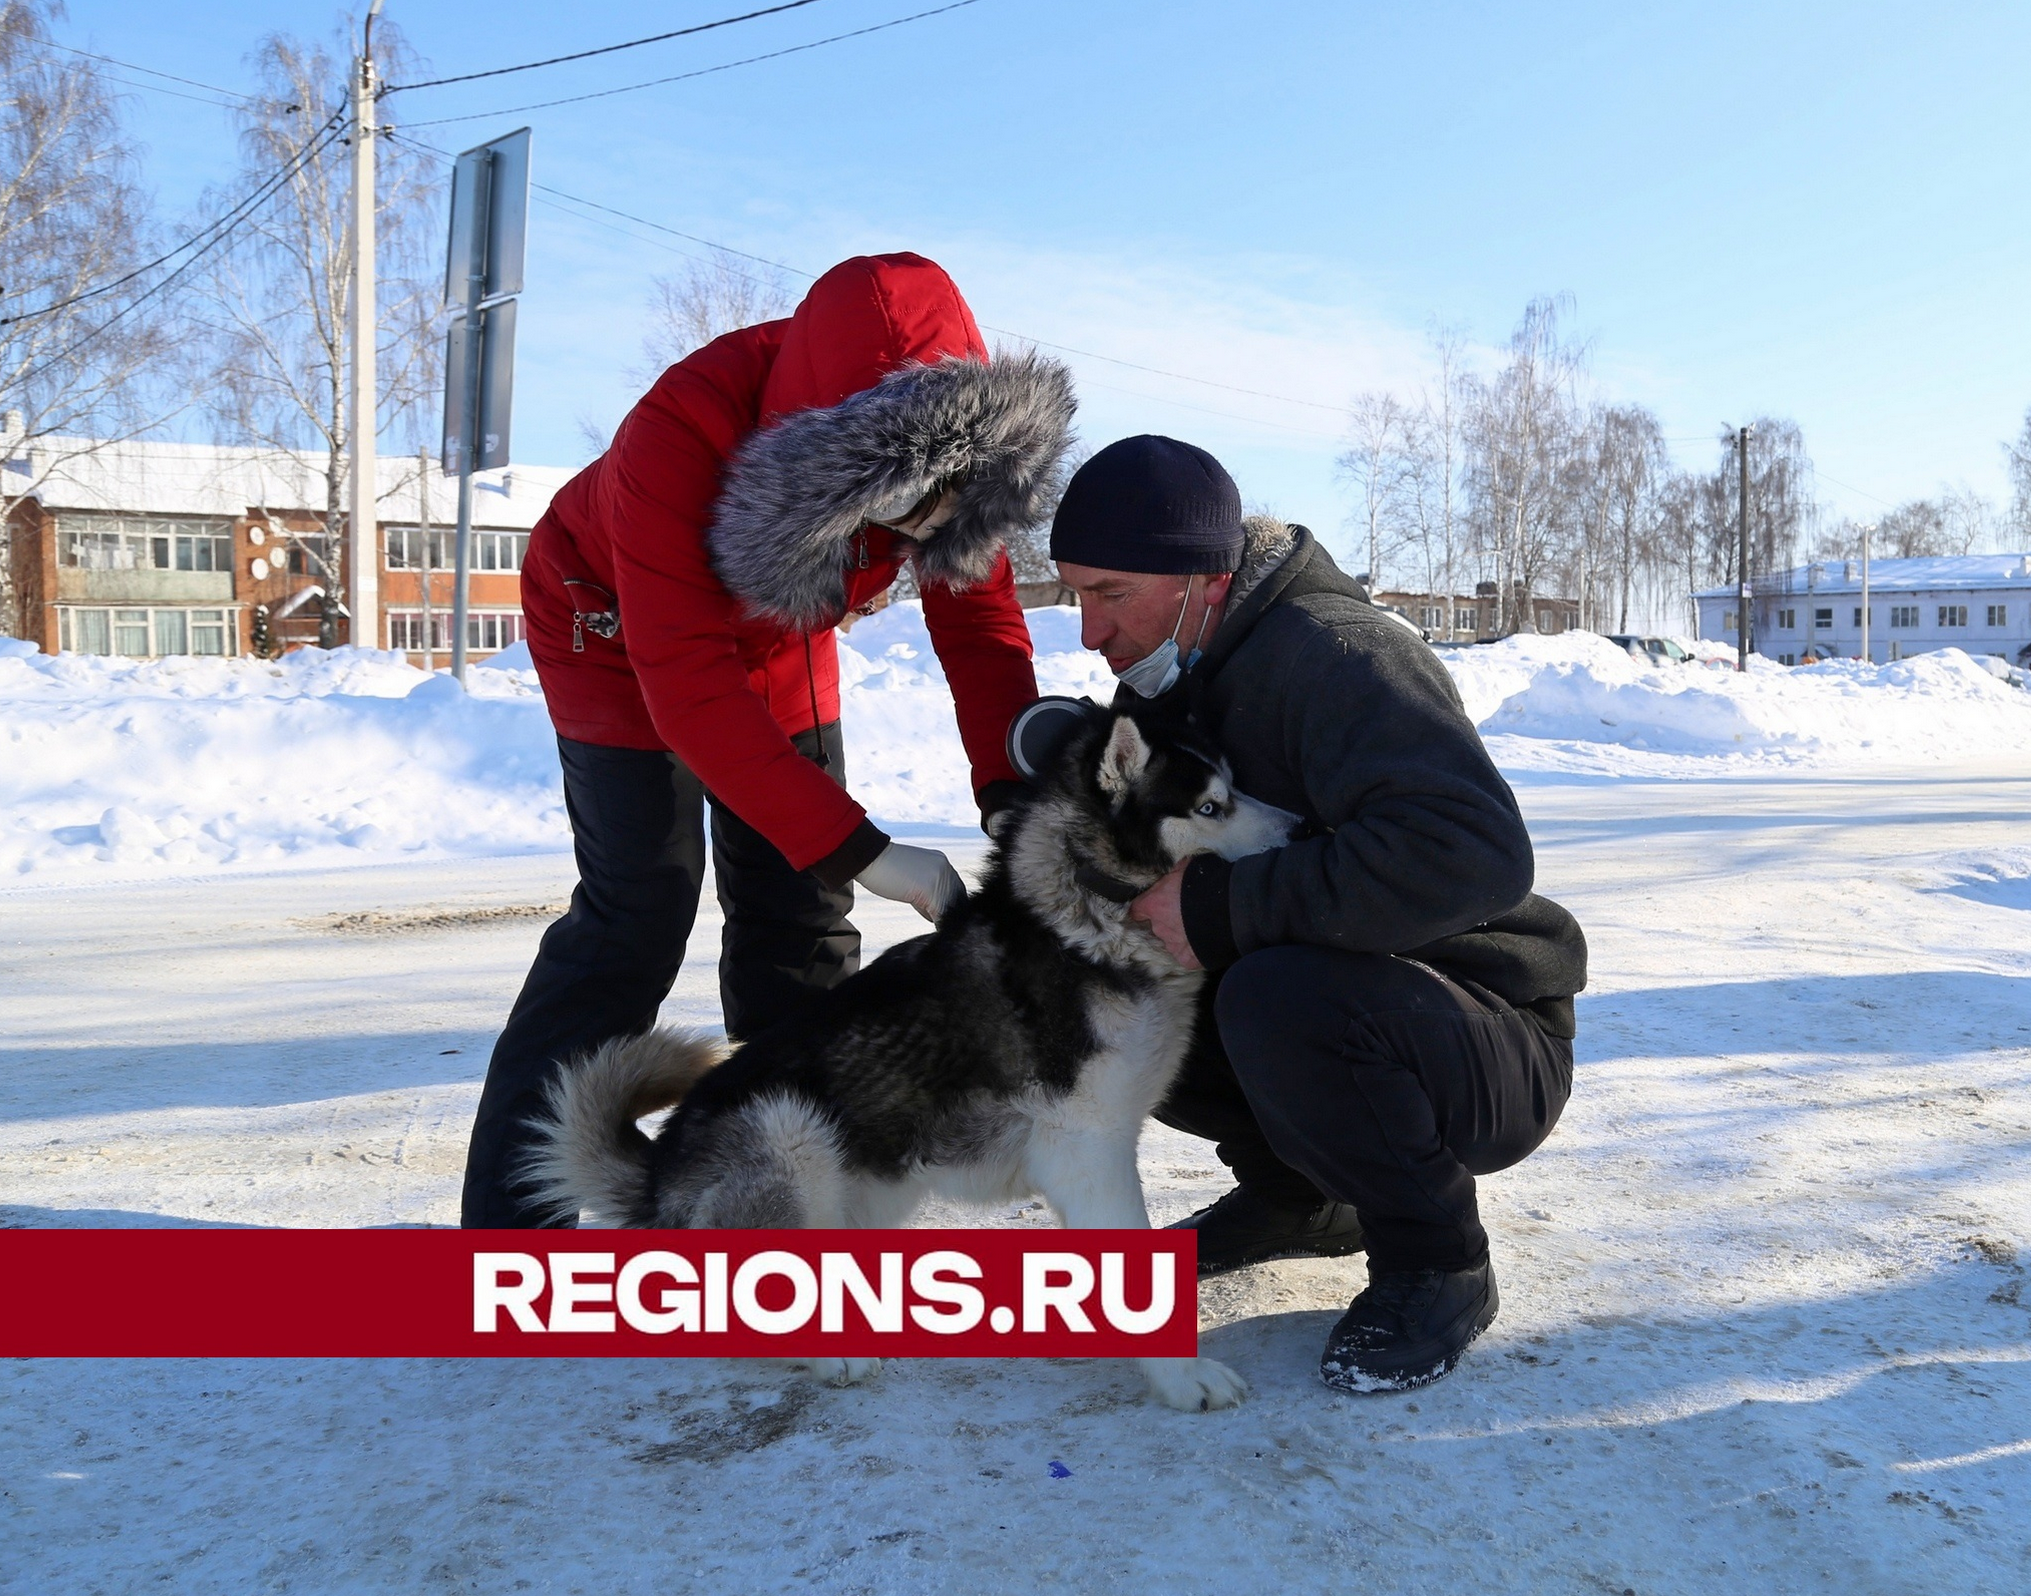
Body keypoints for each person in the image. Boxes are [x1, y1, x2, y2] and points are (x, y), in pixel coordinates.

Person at [461, 253, 1074, 1229]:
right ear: (826, 460)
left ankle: (796, 1188)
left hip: (780, 637)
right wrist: (867, 849)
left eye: (952, 487)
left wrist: (1010, 796)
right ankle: (504, 1234)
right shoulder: (677, 434)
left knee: (801, 913)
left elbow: (982, 629)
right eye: (907, 493)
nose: (935, 517)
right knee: (634, 914)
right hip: (615, 629)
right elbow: (690, 688)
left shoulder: (955, 470)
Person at [1046, 434, 1587, 1392]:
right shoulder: (1178, 673)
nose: (1090, 630)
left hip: (1480, 1025)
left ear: (1203, 579)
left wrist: (1222, 908)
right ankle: (1299, 1199)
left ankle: (1438, 1260)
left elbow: (1476, 855)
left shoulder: (1341, 656)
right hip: (1360, 1000)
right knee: (1108, 987)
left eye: (1112, 593)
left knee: (1271, 989)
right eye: (1076, 593)